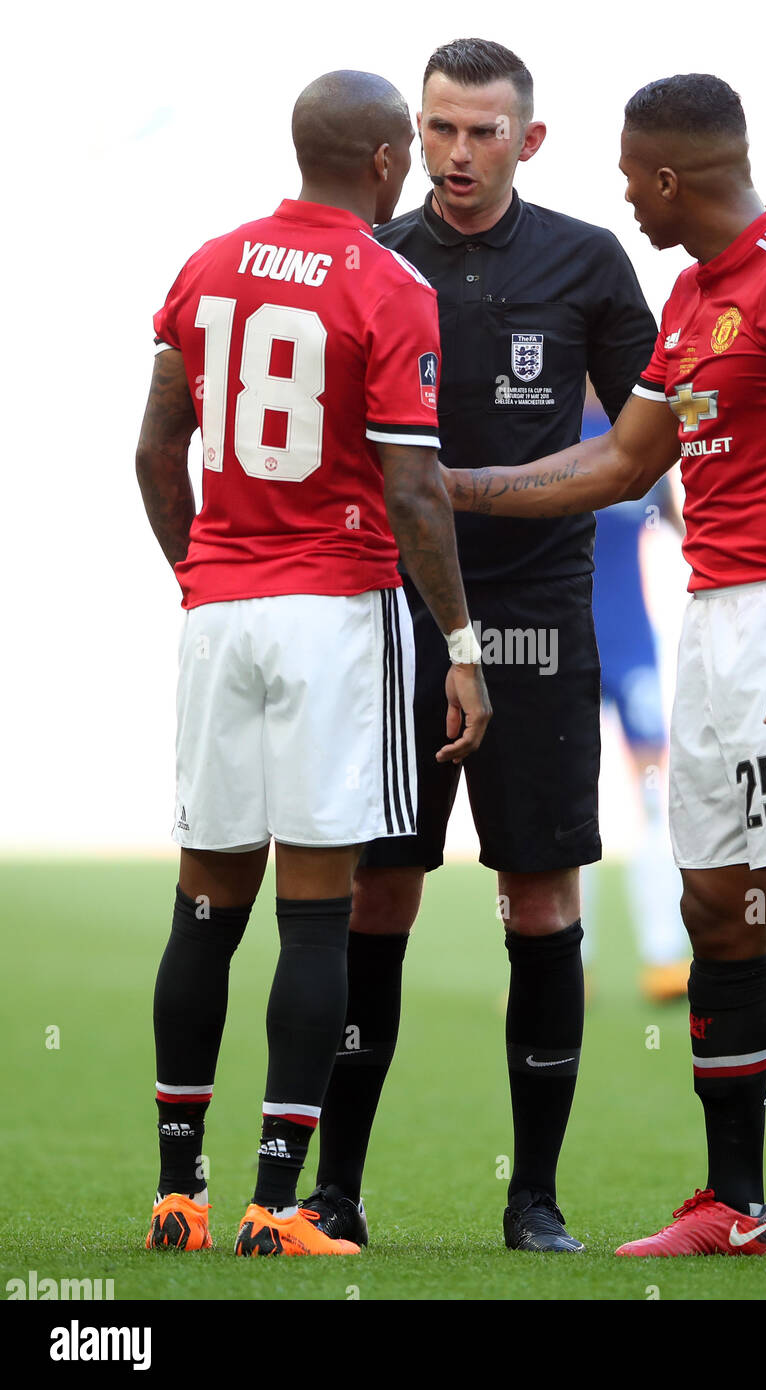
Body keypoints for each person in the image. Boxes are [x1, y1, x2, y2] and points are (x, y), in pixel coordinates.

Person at [444, 73, 766, 1264]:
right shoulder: (695, 294)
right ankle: (735, 1203)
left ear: (669, 177)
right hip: (711, 619)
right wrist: (446, 487)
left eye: (626, 172)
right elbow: (616, 463)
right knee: (716, 906)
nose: (617, 191)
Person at [303, 38, 657, 1254]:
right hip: (389, 618)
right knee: (376, 891)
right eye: (439, 130)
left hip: (540, 621)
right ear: (412, 133)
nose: (457, 155)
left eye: (482, 133)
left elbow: (649, 439)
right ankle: (334, 1189)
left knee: (539, 895)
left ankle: (535, 1199)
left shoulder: (588, 262)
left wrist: (486, 489)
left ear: (529, 140)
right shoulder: (374, 257)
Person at [135, 69, 490, 1258]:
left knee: (203, 907)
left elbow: (154, 449)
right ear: (389, 159)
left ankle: (177, 1193)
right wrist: (460, 642)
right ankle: (278, 1204)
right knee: (317, 919)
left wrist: (202, 573)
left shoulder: (205, 263)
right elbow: (412, 490)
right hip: (331, 613)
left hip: (219, 611)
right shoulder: (390, 284)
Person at [580, 385, 691, 1002]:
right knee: (572, 802)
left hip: (631, 643)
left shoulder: (643, 437)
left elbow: (685, 529)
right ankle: (573, 965)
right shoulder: (553, 425)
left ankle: (664, 958)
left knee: (653, 799)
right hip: (567, 643)